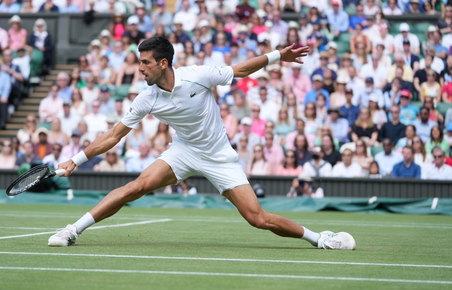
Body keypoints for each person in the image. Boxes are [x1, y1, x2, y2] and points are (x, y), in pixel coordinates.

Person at [48, 37, 355, 250]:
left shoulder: (199, 76)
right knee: (136, 186)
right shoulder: (146, 98)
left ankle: (320, 238)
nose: (139, 69)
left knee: (257, 219)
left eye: (145, 63)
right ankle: (72, 230)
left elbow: (241, 70)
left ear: (163, 63)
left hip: (220, 156)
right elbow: (114, 135)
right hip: (183, 152)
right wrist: (77, 158)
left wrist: (278, 56)